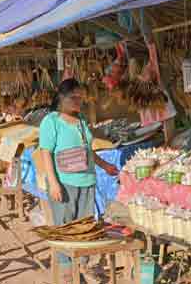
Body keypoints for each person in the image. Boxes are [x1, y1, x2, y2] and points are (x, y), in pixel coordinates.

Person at [39, 78, 118, 282]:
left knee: (84, 229)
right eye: (73, 97)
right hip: (64, 183)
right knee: (65, 229)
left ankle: (80, 269)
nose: (78, 101)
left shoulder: (82, 120)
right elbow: (45, 153)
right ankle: (67, 275)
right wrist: (54, 183)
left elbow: (87, 151)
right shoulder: (51, 121)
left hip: (87, 181)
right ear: (61, 97)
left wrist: (105, 166)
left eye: (80, 97)